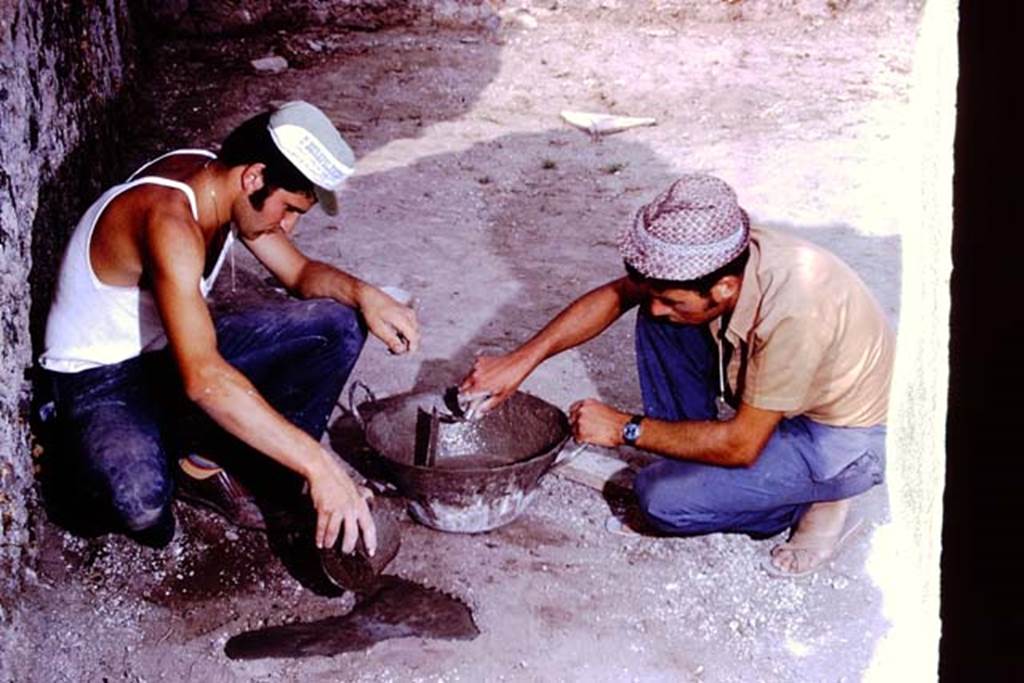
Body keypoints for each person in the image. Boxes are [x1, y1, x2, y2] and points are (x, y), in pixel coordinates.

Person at [460, 174, 894, 576]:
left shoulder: (796, 313)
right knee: (660, 321)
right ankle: (698, 462)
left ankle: (817, 497)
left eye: (672, 299)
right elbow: (621, 295)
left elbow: (741, 446)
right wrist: (520, 361)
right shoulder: (721, 258)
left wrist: (625, 430)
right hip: (790, 396)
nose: (656, 306)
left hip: (841, 437)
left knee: (661, 501)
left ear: (723, 287)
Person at [39, 101, 419, 553]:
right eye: (290, 209)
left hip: (166, 356)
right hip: (97, 381)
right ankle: (91, 451)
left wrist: (365, 295)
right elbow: (203, 379)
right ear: (254, 177)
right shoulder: (168, 218)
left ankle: (252, 468)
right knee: (141, 504)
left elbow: (299, 275)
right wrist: (321, 465)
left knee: (338, 322)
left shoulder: (220, 180)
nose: (290, 227)